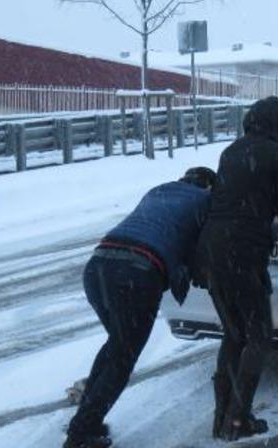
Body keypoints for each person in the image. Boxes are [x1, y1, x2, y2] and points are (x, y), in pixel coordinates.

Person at [64, 167, 218, 448]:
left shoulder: (159, 190)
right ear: (209, 187)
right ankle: (81, 433)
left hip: (98, 264)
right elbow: (203, 249)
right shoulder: (204, 200)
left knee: (117, 345)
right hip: (137, 271)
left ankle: (88, 419)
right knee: (123, 355)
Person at [199, 96, 278, 441]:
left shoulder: (230, 151)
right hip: (245, 250)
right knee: (259, 335)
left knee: (234, 334)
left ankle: (222, 419)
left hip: (213, 248)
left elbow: (242, 193)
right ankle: (238, 420)